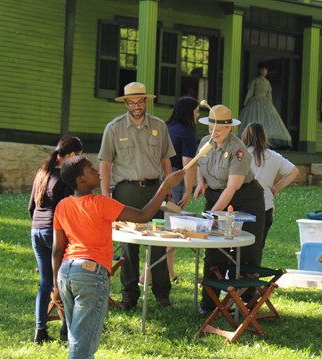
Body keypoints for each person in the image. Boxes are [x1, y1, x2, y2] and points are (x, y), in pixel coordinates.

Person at [51, 156, 183, 359]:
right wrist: (166, 185)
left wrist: (56, 286)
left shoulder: (62, 206)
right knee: (81, 345)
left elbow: (57, 250)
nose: (97, 171)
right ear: (80, 179)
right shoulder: (101, 203)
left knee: (77, 337)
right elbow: (143, 215)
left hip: (66, 273)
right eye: (90, 169)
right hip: (89, 275)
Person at [98, 82, 176, 310]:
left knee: (160, 241)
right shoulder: (114, 128)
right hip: (126, 191)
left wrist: (168, 188)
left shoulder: (159, 126)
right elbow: (105, 163)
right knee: (129, 245)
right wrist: (105, 196)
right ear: (126, 104)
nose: (136, 106)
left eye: (140, 101)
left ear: (146, 102)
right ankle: (129, 295)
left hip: (155, 190)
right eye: (131, 102)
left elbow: (166, 160)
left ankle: (162, 294)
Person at [193, 104, 266, 315]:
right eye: (211, 127)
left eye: (219, 129)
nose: (214, 132)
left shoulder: (239, 150)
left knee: (247, 251)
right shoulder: (205, 143)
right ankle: (209, 304)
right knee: (214, 249)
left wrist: (211, 214)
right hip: (216, 195)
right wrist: (200, 183)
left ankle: (245, 304)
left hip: (245, 198)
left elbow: (233, 186)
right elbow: (200, 164)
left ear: (229, 129)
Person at [27, 135, 83, 344]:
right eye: (77, 156)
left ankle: (40, 330)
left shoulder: (42, 172)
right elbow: (69, 210)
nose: (79, 160)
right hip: (54, 233)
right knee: (64, 282)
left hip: (37, 231)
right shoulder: (67, 176)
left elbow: (31, 207)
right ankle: (66, 329)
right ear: (69, 155)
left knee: (45, 283)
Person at [241, 122, 300, 243]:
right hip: (266, 205)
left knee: (241, 243)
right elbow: (294, 171)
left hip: (243, 204)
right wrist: (276, 187)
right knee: (258, 245)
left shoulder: (242, 155)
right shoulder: (274, 156)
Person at [164, 96, 200, 282]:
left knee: (164, 227)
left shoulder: (167, 127)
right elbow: (189, 165)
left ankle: (168, 271)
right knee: (173, 228)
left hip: (161, 178)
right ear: (189, 112)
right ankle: (153, 274)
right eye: (196, 111)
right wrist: (188, 190)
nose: (198, 115)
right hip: (176, 179)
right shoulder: (187, 132)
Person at [238, 64, 292, 149]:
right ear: (259, 70)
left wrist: (270, 105)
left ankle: (265, 138)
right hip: (254, 101)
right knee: (254, 117)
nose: (264, 72)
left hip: (265, 102)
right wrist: (245, 103)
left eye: (266, 70)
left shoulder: (267, 82)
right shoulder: (255, 81)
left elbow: (269, 95)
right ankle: (250, 137)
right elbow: (250, 92)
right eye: (263, 70)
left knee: (266, 120)